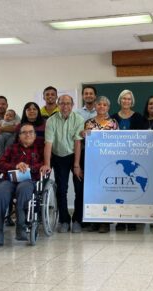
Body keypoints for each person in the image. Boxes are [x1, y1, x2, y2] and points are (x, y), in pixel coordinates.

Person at [0, 124, 44, 247]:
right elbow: (0, 164)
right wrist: (15, 166)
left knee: (23, 189)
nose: (28, 134)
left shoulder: (40, 148)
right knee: (0, 194)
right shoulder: (12, 148)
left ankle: (21, 227)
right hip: (9, 180)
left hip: (29, 180)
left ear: (35, 135)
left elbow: (44, 165)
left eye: (31, 132)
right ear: (19, 136)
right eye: (24, 132)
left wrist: (29, 167)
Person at [40, 95, 84, 233]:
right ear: (58, 105)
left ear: (72, 105)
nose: (65, 106)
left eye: (68, 103)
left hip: (75, 155)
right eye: (62, 103)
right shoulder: (51, 121)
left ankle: (77, 220)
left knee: (79, 188)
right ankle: (64, 220)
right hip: (59, 156)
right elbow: (48, 143)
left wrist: (76, 165)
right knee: (61, 189)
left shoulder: (79, 119)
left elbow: (78, 142)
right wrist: (47, 164)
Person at [111, 89, 145, 231]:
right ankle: (120, 219)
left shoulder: (139, 117)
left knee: (133, 189)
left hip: (133, 160)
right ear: (120, 100)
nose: (126, 101)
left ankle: (131, 219)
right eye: (124, 99)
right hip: (117, 158)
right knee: (119, 189)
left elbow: (143, 137)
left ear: (132, 102)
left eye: (129, 99)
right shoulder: (112, 118)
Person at [84, 96, 119, 233]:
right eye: (99, 104)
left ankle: (105, 222)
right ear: (95, 106)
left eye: (105, 105)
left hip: (109, 162)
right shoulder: (88, 122)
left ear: (108, 108)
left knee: (106, 191)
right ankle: (94, 220)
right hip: (92, 161)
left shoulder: (113, 123)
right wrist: (83, 134)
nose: (102, 107)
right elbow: (84, 140)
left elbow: (118, 142)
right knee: (93, 191)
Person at [71, 86, 98, 233]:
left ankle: (95, 220)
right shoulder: (76, 114)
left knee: (96, 189)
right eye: (86, 93)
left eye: (91, 93)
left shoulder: (104, 115)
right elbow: (76, 137)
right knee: (79, 189)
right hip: (81, 155)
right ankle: (78, 219)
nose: (88, 95)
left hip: (99, 157)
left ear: (95, 96)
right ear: (82, 96)